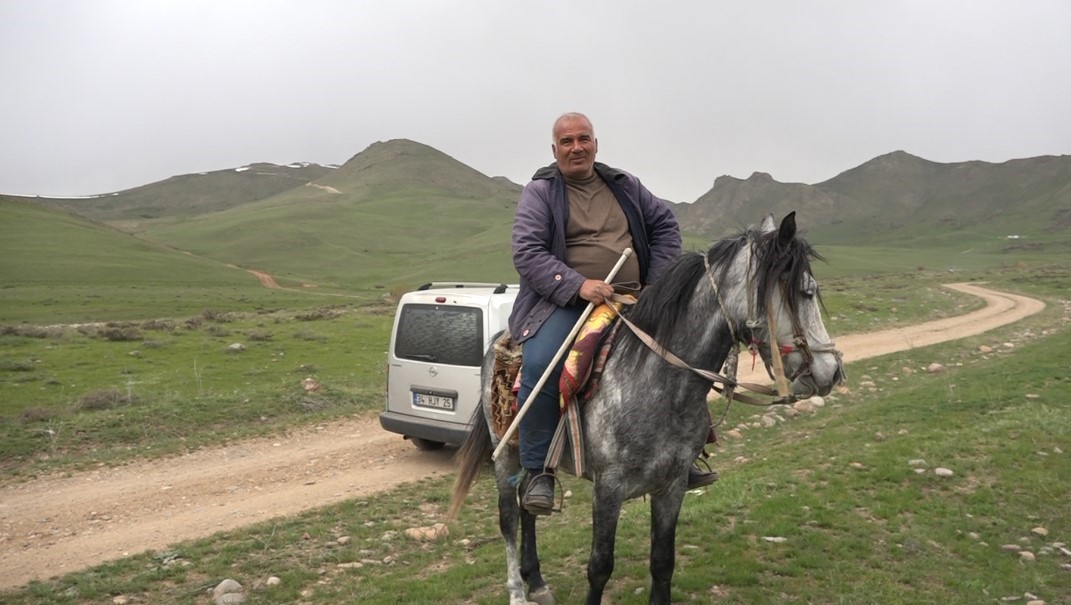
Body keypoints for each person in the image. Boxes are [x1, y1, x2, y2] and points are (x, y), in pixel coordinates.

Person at [509, 112, 718, 515]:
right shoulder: (540, 192)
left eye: (583, 139)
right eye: (567, 141)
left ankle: (683, 454)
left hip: (632, 299)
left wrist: (656, 285)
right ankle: (538, 471)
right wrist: (577, 285)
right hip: (566, 303)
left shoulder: (624, 185)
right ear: (554, 150)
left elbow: (665, 228)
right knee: (541, 364)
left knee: (679, 357)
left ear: (595, 143)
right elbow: (527, 251)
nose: (576, 148)